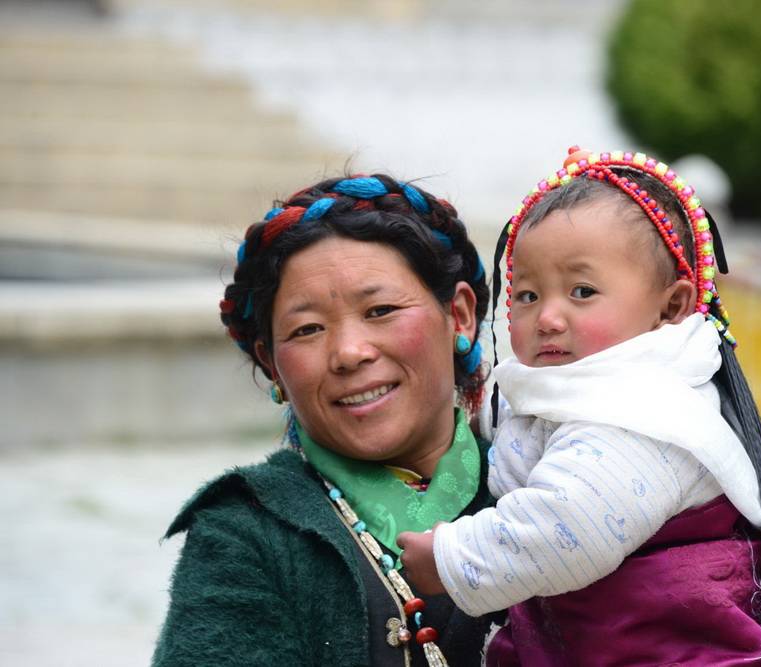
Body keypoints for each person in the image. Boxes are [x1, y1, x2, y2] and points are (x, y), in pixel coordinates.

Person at [398, 147, 761, 666]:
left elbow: (569, 527)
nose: (548, 318)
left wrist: (450, 559)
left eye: (581, 291)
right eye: (528, 295)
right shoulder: (583, 386)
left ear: (671, 307)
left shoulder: (643, 416)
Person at [152, 174, 504, 667]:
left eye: (380, 310)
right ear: (272, 363)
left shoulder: (556, 487)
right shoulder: (247, 535)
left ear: (461, 317)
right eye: (308, 328)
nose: (348, 353)